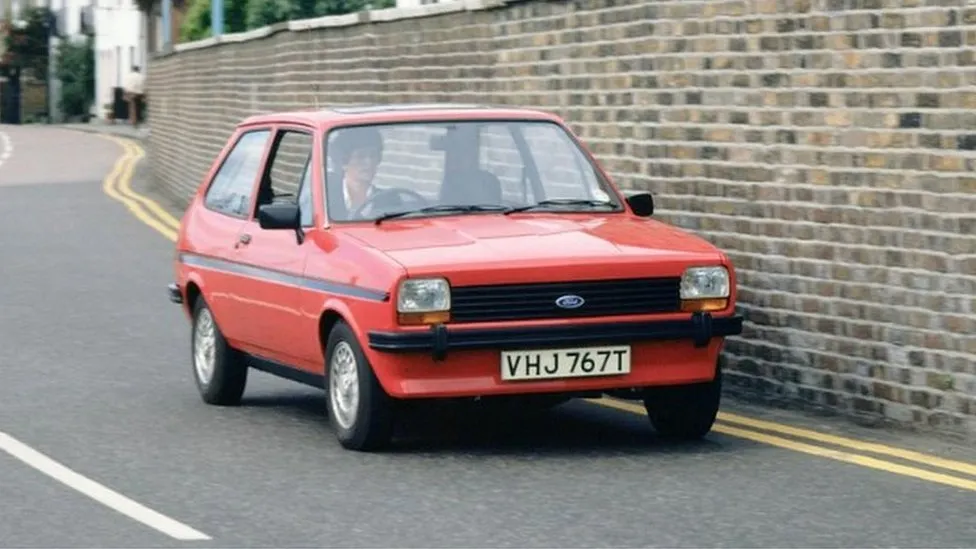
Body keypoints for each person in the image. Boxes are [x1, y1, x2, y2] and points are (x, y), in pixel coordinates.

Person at [327, 126, 383, 220]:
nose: (369, 163)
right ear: (344, 162)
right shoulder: (325, 199)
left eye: (373, 155)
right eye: (360, 156)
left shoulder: (389, 201)